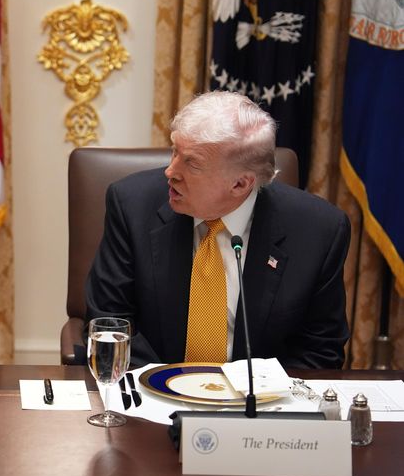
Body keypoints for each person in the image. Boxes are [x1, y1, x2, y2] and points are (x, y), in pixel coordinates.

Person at [86, 91, 350, 369]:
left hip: (257, 403)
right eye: (175, 151)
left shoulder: (319, 231)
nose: (171, 171)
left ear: (240, 184)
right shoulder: (132, 205)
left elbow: (320, 351)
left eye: (192, 163)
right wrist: (168, 390)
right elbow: (109, 322)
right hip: (154, 396)